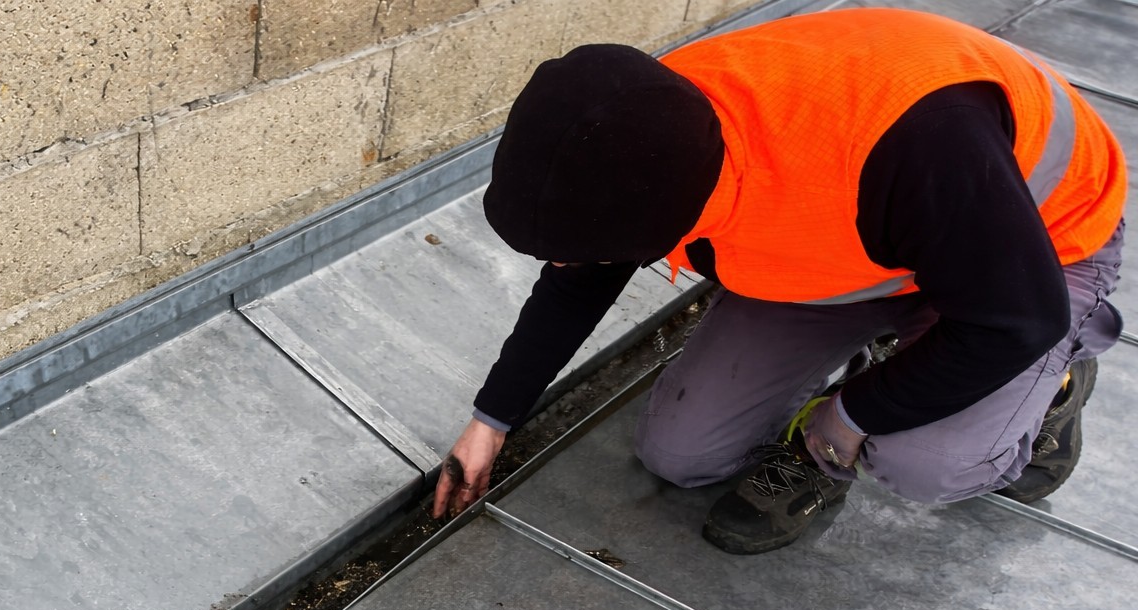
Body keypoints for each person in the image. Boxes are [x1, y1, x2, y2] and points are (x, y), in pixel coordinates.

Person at [431, 7, 1126, 555]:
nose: (570, 266)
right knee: (682, 453)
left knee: (929, 463)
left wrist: (850, 416)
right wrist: (493, 419)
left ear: (668, 217)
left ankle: (1056, 383)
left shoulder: (917, 148)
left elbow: (1014, 320)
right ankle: (870, 384)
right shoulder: (645, 129)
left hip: (1033, 250)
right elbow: (580, 273)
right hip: (854, 252)